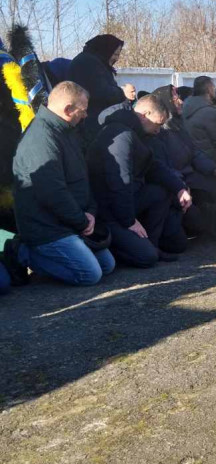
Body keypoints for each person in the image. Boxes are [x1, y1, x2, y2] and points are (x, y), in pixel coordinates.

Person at [6, 81, 115, 285]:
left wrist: (91, 211)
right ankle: (23, 252)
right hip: (46, 226)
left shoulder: (66, 131)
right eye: (83, 110)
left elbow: (81, 178)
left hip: (71, 220)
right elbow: (52, 192)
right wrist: (81, 222)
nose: (85, 115)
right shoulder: (41, 139)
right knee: (89, 274)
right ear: (67, 109)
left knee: (107, 265)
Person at [88, 95, 191, 267]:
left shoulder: (137, 133)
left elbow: (152, 166)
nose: (159, 130)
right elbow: (120, 182)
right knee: (146, 257)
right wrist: (129, 221)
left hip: (128, 199)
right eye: (158, 124)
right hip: (109, 210)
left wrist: (180, 188)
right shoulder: (120, 134)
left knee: (161, 192)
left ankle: (152, 244)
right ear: (144, 114)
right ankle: (123, 248)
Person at [150, 85, 216, 237]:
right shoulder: (159, 132)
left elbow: (194, 152)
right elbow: (163, 166)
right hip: (180, 181)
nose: (180, 102)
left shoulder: (179, 125)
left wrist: (214, 168)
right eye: (175, 99)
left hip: (191, 175)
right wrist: (180, 186)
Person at [67, 34, 136, 136]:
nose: (117, 58)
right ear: (106, 50)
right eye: (115, 54)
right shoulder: (88, 63)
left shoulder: (96, 62)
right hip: (89, 125)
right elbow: (99, 92)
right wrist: (122, 92)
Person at [183, 76, 216, 169]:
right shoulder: (209, 112)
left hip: (196, 161)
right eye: (213, 87)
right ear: (209, 89)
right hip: (214, 163)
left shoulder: (186, 106)